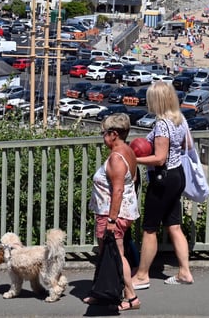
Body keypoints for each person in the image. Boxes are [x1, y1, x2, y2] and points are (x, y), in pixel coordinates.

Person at [131, 82, 193, 290]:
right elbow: (189, 145)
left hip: (163, 178)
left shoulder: (162, 124)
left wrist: (133, 158)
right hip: (177, 175)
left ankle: (142, 275)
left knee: (150, 229)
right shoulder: (180, 118)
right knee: (174, 225)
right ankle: (184, 271)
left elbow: (159, 159)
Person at [84, 114, 141, 310]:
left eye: (104, 133)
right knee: (106, 254)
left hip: (113, 213)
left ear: (114, 134)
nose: (102, 137)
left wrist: (111, 219)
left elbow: (117, 190)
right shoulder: (128, 151)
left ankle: (131, 297)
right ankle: (99, 293)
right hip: (122, 211)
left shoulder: (116, 158)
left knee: (116, 255)